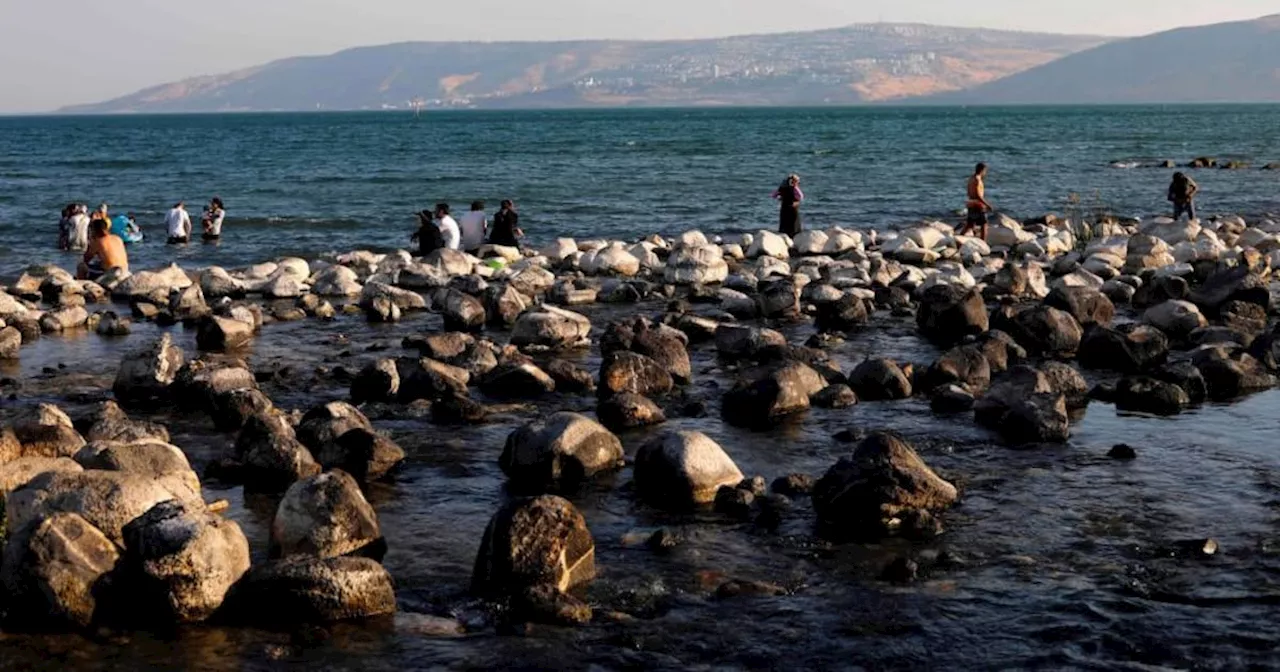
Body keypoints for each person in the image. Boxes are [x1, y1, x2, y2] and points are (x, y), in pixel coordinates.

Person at [958, 163, 993, 241]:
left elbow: (968, 192)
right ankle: (983, 242)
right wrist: (987, 204)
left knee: (970, 224)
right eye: (985, 171)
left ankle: (959, 237)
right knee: (984, 224)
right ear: (982, 170)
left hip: (970, 202)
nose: (985, 173)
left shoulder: (971, 178)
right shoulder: (977, 179)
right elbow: (978, 195)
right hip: (978, 204)